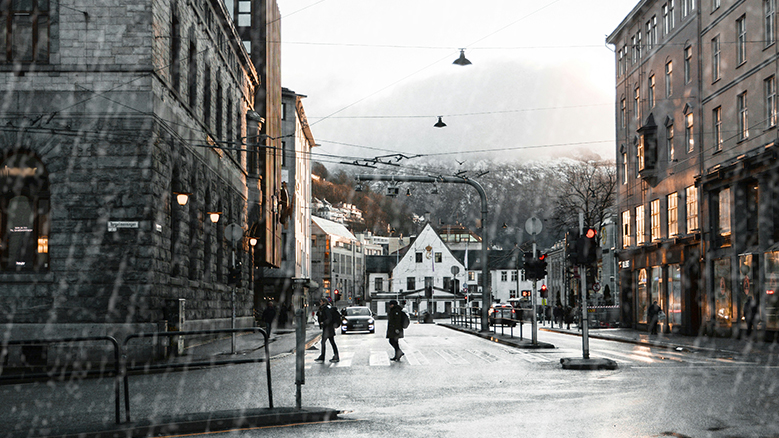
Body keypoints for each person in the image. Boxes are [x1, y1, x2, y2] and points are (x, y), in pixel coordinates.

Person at [315, 298, 339, 363]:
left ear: (323, 302)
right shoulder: (324, 308)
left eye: (321, 301)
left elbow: (329, 318)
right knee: (330, 342)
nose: (320, 303)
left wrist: (323, 323)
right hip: (327, 328)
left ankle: (325, 356)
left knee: (326, 342)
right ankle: (334, 356)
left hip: (328, 328)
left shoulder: (326, 309)